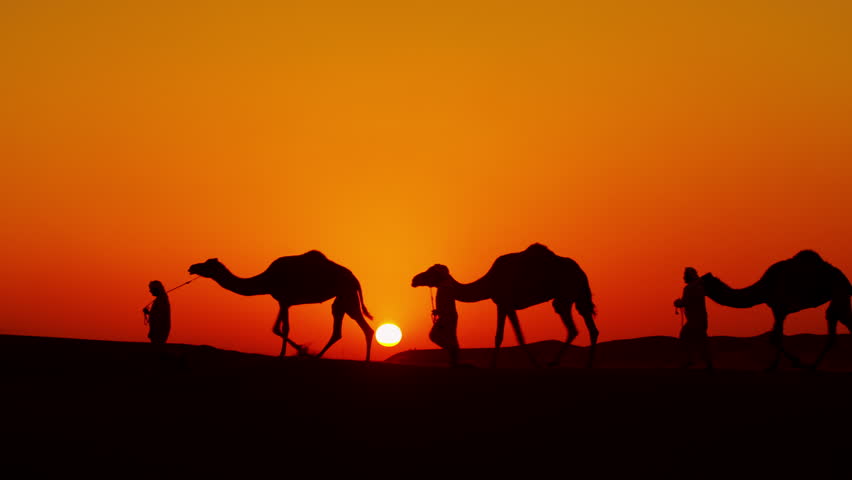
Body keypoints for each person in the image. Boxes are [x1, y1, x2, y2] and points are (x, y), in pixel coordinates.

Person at [674, 267, 713, 370]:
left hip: (694, 321)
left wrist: (677, 303)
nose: (683, 277)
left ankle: (690, 361)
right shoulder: (700, 287)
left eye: (685, 275)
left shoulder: (689, 288)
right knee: (702, 341)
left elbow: (685, 302)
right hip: (702, 319)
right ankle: (707, 363)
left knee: (684, 336)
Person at [143, 280, 171, 345]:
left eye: (151, 289)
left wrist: (148, 313)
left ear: (156, 289)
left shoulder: (162, 300)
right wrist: (148, 313)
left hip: (159, 330)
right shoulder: (161, 299)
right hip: (158, 329)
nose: (150, 291)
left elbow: (160, 316)